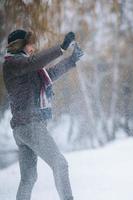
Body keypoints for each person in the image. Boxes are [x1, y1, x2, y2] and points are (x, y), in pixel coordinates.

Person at [2, 29, 84, 200]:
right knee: (60, 164)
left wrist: (71, 59)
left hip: (23, 128)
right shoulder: (13, 64)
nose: (33, 48)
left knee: (29, 178)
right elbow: (35, 62)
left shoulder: (23, 67)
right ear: (20, 46)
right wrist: (61, 48)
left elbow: (50, 74)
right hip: (30, 125)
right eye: (30, 44)